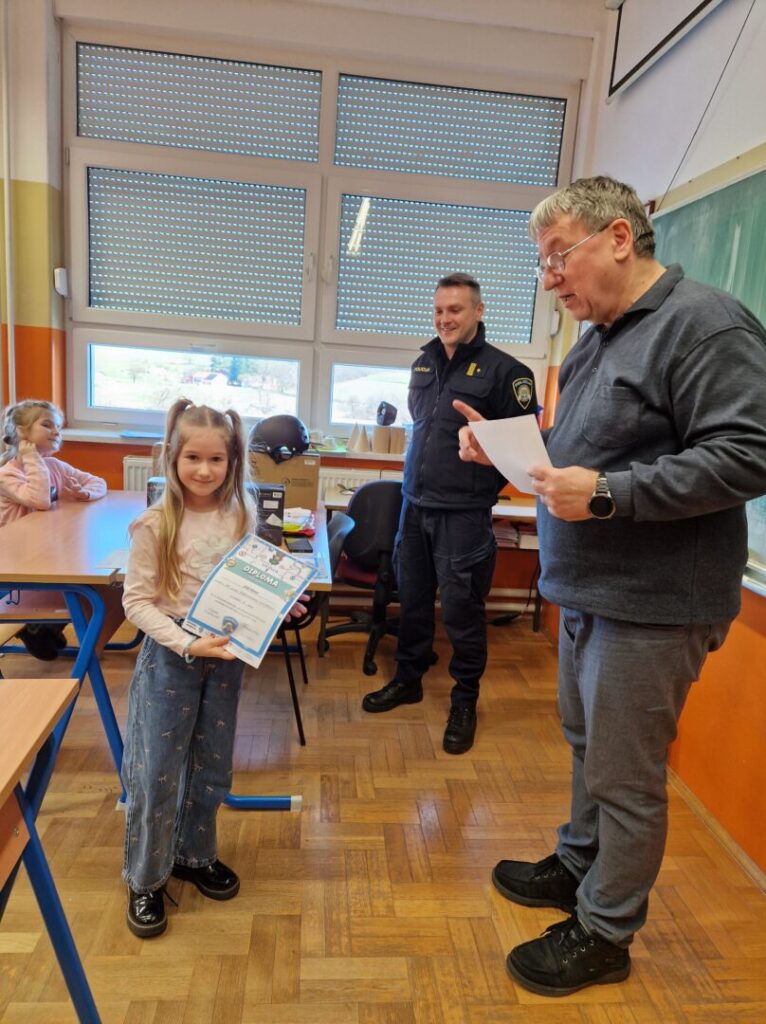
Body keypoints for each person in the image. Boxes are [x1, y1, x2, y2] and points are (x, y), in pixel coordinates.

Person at [455, 175, 766, 996]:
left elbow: (749, 455)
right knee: (589, 750)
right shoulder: (599, 336)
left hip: (656, 603)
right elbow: (585, 444)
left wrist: (605, 494)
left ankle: (605, 930)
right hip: (590, 588)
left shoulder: (704, 325)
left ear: (620, 238)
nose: (549, 279)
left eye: (559, 257)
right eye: (542, 264)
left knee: (626, 776)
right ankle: (578, 864)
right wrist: (510, 446)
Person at [121, 399, 305, 938]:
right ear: (172, 457)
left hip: (225, 658)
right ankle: (145, 878)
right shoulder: (155, 523)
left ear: (233, 461)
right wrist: (185, 643)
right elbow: (136, 602)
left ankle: (194, 854)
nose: (204, 470)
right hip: (171, 657)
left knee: (213, 766)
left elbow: (249, 584)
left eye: (216, 459)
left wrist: (279, 603)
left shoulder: (242, 514)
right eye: (193, 458)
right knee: (157, 773)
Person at [361, 273, 538, 755]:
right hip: (414, 506)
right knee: (413, 600)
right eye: (439, 310)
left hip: (462, 515)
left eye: (455, 310)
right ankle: (409, 679)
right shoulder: (423, 362)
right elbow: (424, 427)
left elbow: (522, 452)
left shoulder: (509, 373)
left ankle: (465, 701)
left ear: (478, 311)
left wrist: (477, 490)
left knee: (462, 611)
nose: (444, 319)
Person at [0, 399, 107, 659]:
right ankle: (40, 626)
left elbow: (98, 482)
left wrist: (84, 492)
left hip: (46, 551)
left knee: (104, 576)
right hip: (19, 559)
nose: (56, 432)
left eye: (58, 427)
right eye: (47, 425)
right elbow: (39, 499)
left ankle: (48, 629)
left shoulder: (54, 466)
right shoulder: (7, 475)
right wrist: (31, 458)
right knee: (89, 580)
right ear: (21, 432)